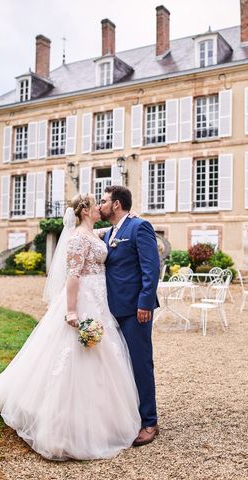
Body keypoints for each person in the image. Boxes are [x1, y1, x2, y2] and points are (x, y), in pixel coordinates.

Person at [0, 194, 141, 460]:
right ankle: (62, 429)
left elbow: (112, 231)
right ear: (86, 210)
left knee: (103, 357)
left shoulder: (92, 233)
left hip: (100, 303)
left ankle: (102, 419)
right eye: (96, 203)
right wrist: (71, 310)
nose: (101, 207)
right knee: (73, 359)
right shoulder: (78, 237)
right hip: (84, 300)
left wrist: (129, 218)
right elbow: (73, 276)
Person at [99, 185, 161, 446]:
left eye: (103, 201)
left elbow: (151, 267)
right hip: (110, 310)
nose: (100, 206)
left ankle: (150, 421)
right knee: (118, 366)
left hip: (135, 311)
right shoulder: (109, 232)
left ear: (116, 204)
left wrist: (145, 303)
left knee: (140, 363)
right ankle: (127, 416)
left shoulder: (139, 227)